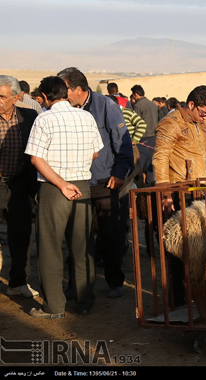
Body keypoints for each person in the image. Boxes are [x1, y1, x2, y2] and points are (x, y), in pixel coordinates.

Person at [25, 76, 103, 318]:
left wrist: (61, 182)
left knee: (50, 248)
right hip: (82, 186)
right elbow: (95, 153)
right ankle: (85, 301)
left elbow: (36, 158)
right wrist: (75, 171)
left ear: (46, 97)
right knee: (82, 246)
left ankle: (54, 306)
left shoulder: (44, 118)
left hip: (54, 187)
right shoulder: (86, 116)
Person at [58, 67, 134, 299]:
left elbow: (123, 142)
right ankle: (77, 285)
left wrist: (120, 172)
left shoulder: (106, 106)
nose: (62, 94)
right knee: (77, 235)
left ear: (78, 90)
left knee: (110, 233)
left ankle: (114, 280)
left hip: (104, 181)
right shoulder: (63, 109)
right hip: (75, 182)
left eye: (65, 89)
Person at [152, 85, 206, 305]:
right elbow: (160, 157)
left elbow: (201, 153)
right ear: (191, 105)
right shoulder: (171, 123)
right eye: (203, 113)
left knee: (200, 246)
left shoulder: (196, 122)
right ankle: (179, 300)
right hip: (181, 191)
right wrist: (165, 194)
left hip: (200, 189)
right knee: (180, 247)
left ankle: (198, 296)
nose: (205, 118)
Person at [0, 75, 39, 298]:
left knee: (21, 235)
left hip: (19, 185)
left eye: (2, 97)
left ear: (15, 98)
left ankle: (17, 282)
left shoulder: (30, 116)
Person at [131, 84, 158, 186]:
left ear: (136, 95)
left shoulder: (138, 106)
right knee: (151, 165)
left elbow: (137, 123)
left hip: (142, 139)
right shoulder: (153, 104)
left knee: (139, 166)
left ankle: (140, 191)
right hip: (153, 137)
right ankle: (151, 190)